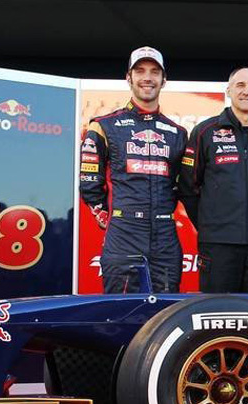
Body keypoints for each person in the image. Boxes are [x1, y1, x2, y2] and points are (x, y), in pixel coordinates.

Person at [79, 46, 187, 293]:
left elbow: (185, 185)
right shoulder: (103, 126)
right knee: (122, 315)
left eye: (154, 72)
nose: (147, 77)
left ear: (164, 80)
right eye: (140, 71)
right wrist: (107, 217)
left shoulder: (178, 133)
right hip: (124, 233)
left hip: (165, 236)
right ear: (129, 78)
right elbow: (89, 182)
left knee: (165, 317)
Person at [178, 68, 248, 293]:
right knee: (215, 313)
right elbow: (188, 187)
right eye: (240, 85)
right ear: (228, 90)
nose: (247, 91)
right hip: (218, 244)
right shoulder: (205, 131)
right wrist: (212, 224)